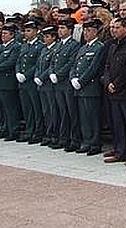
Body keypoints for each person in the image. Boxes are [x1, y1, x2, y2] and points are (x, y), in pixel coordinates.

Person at [102, 18, 126, 164]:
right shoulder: (113, 45)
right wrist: (108, 82)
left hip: (125, 90)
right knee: (116, 123)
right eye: (112, 27)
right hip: (113, 91)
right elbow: (108, 66)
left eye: (117, 27)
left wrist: (116, 84)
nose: (113, 30)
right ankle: (119, 149)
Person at [70, 19, 105, 156]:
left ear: (95, 32)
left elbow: (94, 68)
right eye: (84, 30)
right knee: (83, 117)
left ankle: (95, 142)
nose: (85, 33)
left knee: (92, 116)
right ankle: (86, 141)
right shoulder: (83, 48)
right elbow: (75, 65)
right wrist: (73, 78)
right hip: (80, 88)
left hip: (90, 87)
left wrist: (81, 80)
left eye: (89, 30)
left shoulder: (99, 47)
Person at [0, 24, 22, 140]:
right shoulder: (0, 47)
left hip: (6, 81)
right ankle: (4, 128)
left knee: (10, 108)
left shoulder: (16, 46)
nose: (3, 36)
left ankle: (13, 130)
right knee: (1, 108)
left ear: (12, 35)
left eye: (6, 33)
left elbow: (10, 62)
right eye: (2, 33)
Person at [50, 18, 81, 151]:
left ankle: (75, 140)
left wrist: (59, 74)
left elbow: (71, 63)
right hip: (57, 84)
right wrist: (51, 73)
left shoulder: (74, 45)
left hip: (66, 82)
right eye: (59, 28)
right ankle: (63, 138)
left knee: (71, 112)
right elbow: (52, 61)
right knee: (62, 112)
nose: (60, 31)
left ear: (70, 30)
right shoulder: (58, 45)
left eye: (63, 28)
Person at [15, 21, 44, 143]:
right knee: (27, 108)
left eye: (29, 31)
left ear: (36, 31)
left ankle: (38, 132)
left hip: (32, 81)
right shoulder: (24, 46)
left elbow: (38, 64)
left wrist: (26, 75)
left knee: (36, 108)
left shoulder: (40, 46)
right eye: (25, 31)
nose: (26, 33)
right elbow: (19, 61)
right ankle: (29, 131)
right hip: (22, 82)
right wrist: (18, 72)